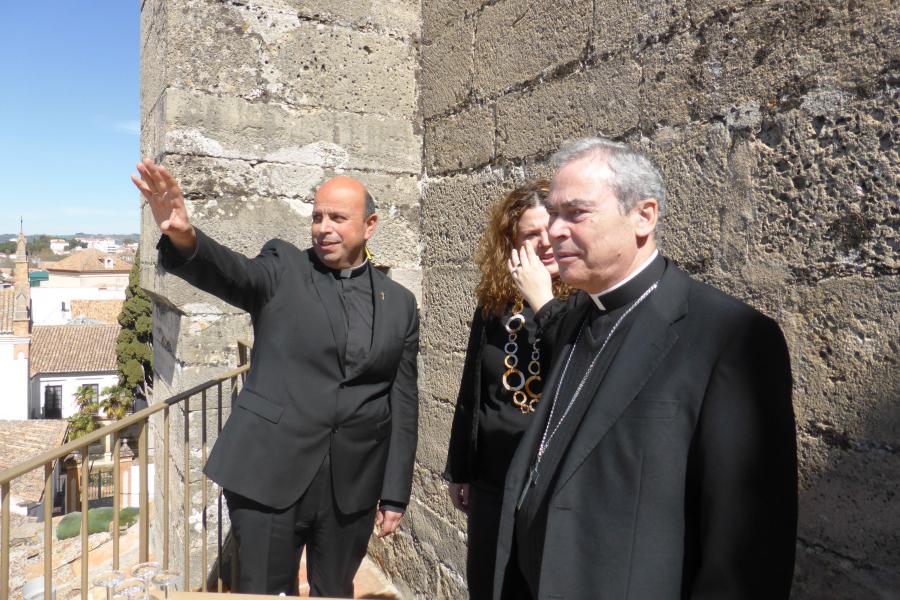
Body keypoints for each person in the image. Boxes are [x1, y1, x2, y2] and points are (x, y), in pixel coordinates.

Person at [494, 138, 797, 599]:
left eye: (576, 213)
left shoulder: (729, 338)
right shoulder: (575, 316)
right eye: (554, 213)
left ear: (644, 216)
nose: (554, 230)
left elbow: (746, 551)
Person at [131, 159, 419, 598]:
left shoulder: (400, 303)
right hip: (269, 472)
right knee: (263, 591)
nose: (324, 228)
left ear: (370, 224)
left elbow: (402, 399)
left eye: (338, 218)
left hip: (352, 487)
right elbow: (233, 272)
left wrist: (395, 493)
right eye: (318, 216)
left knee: (335, 591)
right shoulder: (283, 266)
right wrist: (183, 236)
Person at [443, 181, 572, 599]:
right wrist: (460, 469)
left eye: (551, 227)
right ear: (512, 245)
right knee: (490, 583)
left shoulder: (584, 304)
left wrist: (544, 302)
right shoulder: (493, 306)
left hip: (548, 479)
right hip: (493, 478)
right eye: (531, 235)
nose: (545, 241)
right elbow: (471, 391)